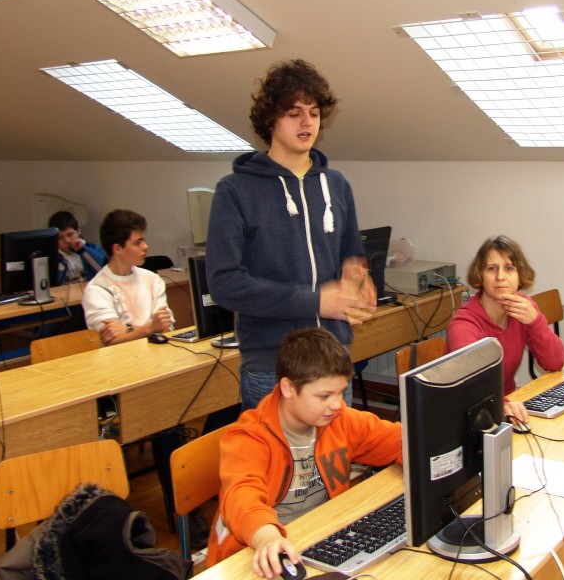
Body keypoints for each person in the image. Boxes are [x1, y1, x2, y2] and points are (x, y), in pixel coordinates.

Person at [205, 59, 374, 411]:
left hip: (333, 360)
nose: (307, 122)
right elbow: (224, 284)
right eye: (294, 113)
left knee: (337, 450)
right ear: (271, 119)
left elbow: (351, 252)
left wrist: (357, 276)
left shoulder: (336, 184)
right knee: (276, 452)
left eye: (314, 113)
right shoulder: (235, 191)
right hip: (273, 368)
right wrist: (314, 302)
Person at [207, 327, 402, 575]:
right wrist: (267, 536)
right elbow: (240, 496)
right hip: (255, 548)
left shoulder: (339, 419)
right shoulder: (249, 437)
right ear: (288, 388)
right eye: (324, 396)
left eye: (341, 392)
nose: (336, 404)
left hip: (317, 532)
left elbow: (399, 440)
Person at [446, 235, 564, 423]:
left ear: (520, 275)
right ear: (480, 275)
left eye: (509, 268)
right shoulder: (464, 324)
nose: (500, 277)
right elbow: (472, 384)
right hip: (467, 415)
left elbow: (555, 362)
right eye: (491, 268)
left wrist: (535, 321)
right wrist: (502, 405)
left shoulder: (524, 307)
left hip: (507, 405)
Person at [81, 209, 173, 345]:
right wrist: (150, 328)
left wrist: (128, 329)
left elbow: (166, 328)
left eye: (143, 240)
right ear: (117, 249)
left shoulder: (153, 280)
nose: (145, 246)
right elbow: (111, 340)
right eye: (137, 242)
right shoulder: (97, 289)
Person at [48, 210, 107, 285]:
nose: (67, 240)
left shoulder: (93, 248)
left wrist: (83, 250)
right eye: (60, 238)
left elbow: (104, 271)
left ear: (78, 231)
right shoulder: (53, 258)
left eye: (70, 235)